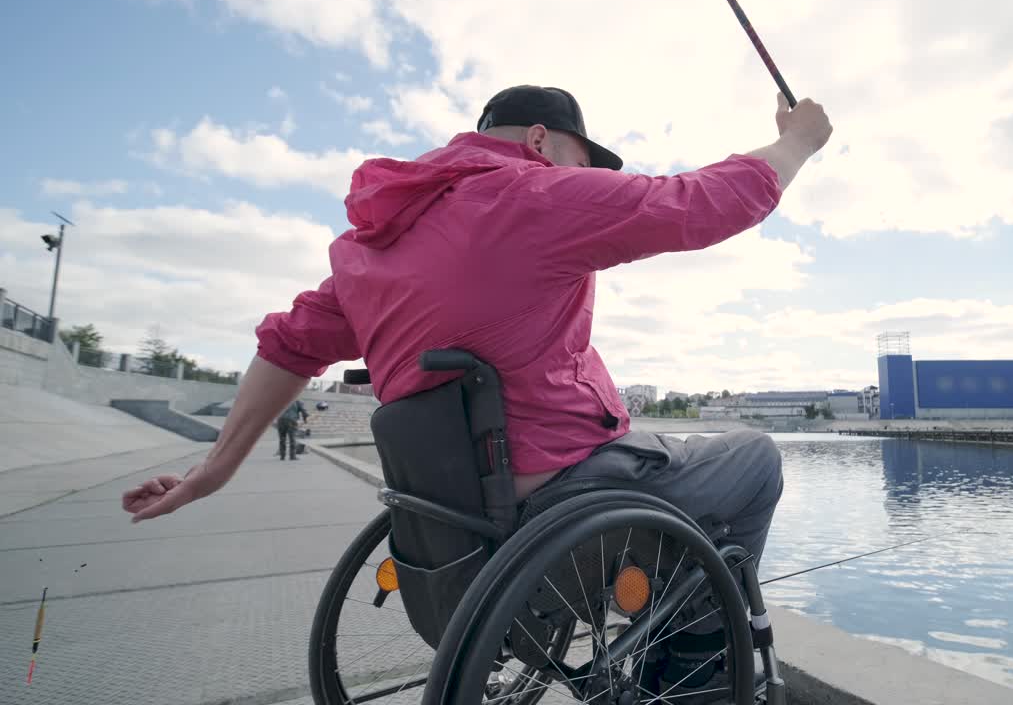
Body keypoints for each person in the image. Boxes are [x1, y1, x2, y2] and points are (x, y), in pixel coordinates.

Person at [122, 84, 832, 698]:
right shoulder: (535, 193)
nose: (589, 178)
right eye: (586, 161)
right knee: (753, 460)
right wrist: (796, 144)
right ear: (541, 141)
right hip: (567, 500)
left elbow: (289, 345)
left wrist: (215, 470)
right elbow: (697, 204)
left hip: (456, 530)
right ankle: (697, 670)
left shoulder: (370, 250)